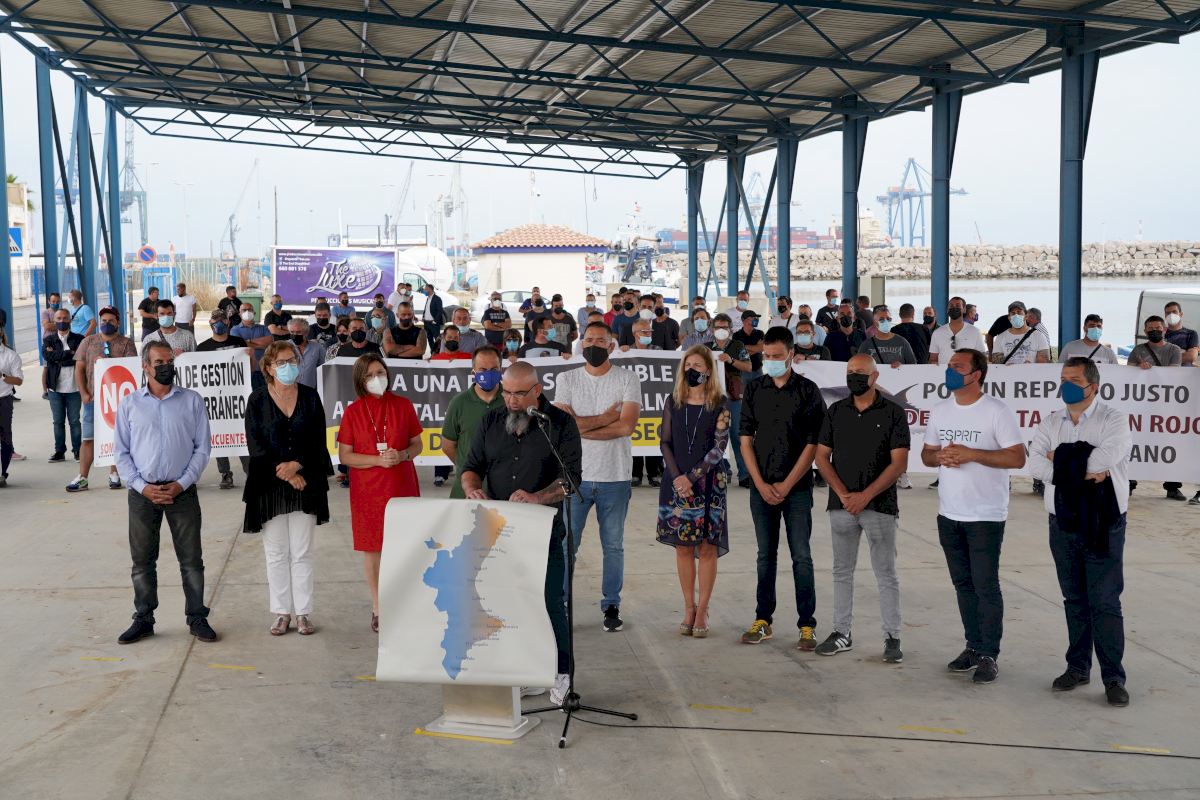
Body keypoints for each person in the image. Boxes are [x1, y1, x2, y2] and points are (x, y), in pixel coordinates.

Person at [461, 361, 580, 707]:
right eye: (507, 393)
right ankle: (530, 670)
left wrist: (537, 497)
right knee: (510, 604)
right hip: (499, 533)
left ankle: (561, 673)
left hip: (543, 531)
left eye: (519, 394)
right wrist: (471, 489)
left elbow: (572, 479)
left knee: (550, 602)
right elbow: (471, 468)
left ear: (537, 391)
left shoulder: (559, 424)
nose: (511, 400)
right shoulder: (491, 421)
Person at [1027, 357, 1131, 707]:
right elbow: (1034, 463)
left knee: (1105, 601)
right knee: (1074, 599)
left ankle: (1113, 677)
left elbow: (1107, 457)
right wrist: (1081, 469)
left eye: (1073, 379)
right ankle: (1077, 667)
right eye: (1063, 379)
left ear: (1093, 386)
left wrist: (1060, 459)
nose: (1066, 385)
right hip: (1063, 522)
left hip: (1103, 523)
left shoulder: (1113, 419)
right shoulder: (1052, 421)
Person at [922, 349, 1025, 684]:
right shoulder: (941, 410)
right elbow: (926, 455)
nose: (950, 370)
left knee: (985, 584)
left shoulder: (996, 411)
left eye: (958, 366)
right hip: (949, 511)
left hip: (985, 514)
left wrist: (972, 454)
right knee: (963, 584)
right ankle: (973, 645)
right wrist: (941, 457)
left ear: (976, 374)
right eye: (949, 365)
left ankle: (989, 654)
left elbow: (1017, 458)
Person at [113, 340, 217, 645]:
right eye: (159, 362)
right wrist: (142, 487)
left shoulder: (192, 401)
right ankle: (144, 618)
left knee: (191, 560)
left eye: (169, 361)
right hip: (142, 495)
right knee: (142, 561)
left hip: (182, 492)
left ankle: (197, 617)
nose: (166, 367)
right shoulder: (130, 404)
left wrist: (182, 483)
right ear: (145, 366)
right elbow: (121, 453)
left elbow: (202, 448)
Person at [813, 355, 910, 663]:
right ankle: (841, 632)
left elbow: (899, 463)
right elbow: (821, 457)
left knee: (886, 573)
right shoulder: (836, 411)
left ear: (874, 376)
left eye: (860, 372)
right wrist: (844, 494)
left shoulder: (893, 412)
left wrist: (865, 496)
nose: (854, 376)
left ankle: (892, 637)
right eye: (850, 372)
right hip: (841, 506)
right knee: (841, 571)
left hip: (880, 506)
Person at [739, 326, 826, 650]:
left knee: (801, 556)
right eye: (766, 356)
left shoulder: (808, 390)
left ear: (791, 354)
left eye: (776, 356)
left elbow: (813, 444)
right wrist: (760, 483)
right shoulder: (754, 389)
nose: (771, 361)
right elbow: (745, 440)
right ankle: (763, 619)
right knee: (765, 556)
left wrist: (787, 484)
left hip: (797, 489)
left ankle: (807, 624)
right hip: (761, 488)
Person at [553, 322, 641, 632]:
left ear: (611, 346)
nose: (593, 345)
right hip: (575, 478)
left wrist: (580, 426)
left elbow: (626, 427)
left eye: (600, 340)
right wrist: (605, 418)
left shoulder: (628, 379)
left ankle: (611, 604)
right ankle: (561, 602)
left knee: (613, 546)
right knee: (567, 545)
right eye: (588, 339)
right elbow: (563, 427)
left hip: (615, 476)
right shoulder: (566, 379)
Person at [243, 341, 333, 637]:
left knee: (302, 552)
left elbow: (318, 440)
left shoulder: (310, 396)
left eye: (292, 360)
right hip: (269, 484)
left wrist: (297, 466)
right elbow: (255, 445)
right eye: (281, 362)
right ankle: (282, 612)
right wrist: (285, 472)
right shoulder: (257, 400)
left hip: (306, 480)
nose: (288, 366)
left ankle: (303, 613)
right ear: (269, 368)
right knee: (276, 552)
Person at [338, 352, 423, 631]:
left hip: (402, 486)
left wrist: (403, 455)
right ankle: (378, 606)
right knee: (373, 549)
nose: (377, 379)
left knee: (404, 547)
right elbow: (346, 456)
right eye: (370, 375)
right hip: (368, 491)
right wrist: (377, 460)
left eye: (380, 372)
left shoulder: (403, 405)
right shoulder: (353, 412)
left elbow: (417, 445)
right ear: (360, 381)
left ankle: (404, 602)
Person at [658, 346, 731, 638]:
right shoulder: (673, 401)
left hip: (709, 483)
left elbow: (719, 447)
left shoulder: (720, 403)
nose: (692, 370)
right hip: (676, 482)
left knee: (707, 547)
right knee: (683, 546)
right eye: (688, 365)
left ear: (708, 370)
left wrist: (692, 477)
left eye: (698, 365)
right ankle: (688, 607)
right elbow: (664, 442)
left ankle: (703, 609)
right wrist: (679, 477)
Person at [67, 307, 137, 493]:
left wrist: (107, 361)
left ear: (118, 322)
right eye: (104, 320)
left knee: (116, 438)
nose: (107, 323)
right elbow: (79, 369)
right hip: (93, 400)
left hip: (117, 400)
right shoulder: (88, 342)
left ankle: (114, 473)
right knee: (88, 438)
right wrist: (83, 393)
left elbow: (131, 367)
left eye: (111, 320)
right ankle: (83, 477)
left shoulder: (127, 343)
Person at [197, 309, 253, 489]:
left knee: (242, 433)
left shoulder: (239, 343)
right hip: (215, 399)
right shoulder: (202, 348)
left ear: (228, 322)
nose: (219, 322)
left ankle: (250, 472)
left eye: (222, 319)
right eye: (215, 319)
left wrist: (250, 356)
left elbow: (251, 369)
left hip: (238, 397)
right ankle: (225, 473)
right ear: (210, 323)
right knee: (219, 434)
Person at [441, 346, 505, 499]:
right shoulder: (459, 403)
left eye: (494, 369)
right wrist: (467, 469)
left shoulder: (511, 401)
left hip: (503, 489)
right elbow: (448, 446)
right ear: (473, 372)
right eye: (483, 369)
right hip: (466, 490)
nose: (488, 374)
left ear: (501, 370)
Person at [708, 313, 751, 487]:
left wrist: (731, 360)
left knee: (737, 434)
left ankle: (744, 474)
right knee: (715, 434)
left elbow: (748, 366)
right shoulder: (705, 348)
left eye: (724, 327)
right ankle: (723, 470)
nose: (721, 330)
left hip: (734, 396)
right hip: (713, 396)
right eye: (718, 327)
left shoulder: (738, 345)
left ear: (730, 329)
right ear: (713, 329)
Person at [43, 308, 84, 463]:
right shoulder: (48, 340)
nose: (62, 321)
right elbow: (47, 356)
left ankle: (78, 451)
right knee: (58, 422)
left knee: (74, 421)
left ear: (70, 320)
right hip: (55, 388)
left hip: (75, 387)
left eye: (65, 318)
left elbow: (80, 358)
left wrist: (58, 357)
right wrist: (69, 353)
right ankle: (59, 451)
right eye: (59, 318)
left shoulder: (79, 339)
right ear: (54, 321)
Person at [928, 296, 985, 365]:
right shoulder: (937, 333)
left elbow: (981, 358)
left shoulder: (975, 332)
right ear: (947, 310)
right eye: (951, 306)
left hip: (966, 371)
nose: (954, 308)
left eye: (958, 305)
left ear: (964, 309)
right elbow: (933, 359)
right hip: (944, 372)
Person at [231, 302, 275, 388]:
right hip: (244, 371)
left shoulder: (263, 328)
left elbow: (270, 340)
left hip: (263, 370)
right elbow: (240, 345)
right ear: (239, 314)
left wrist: (249, 341)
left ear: (254, 313)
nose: (247, 312)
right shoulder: (235, 329)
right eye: (244, 310)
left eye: (249, 310)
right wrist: (262, 346)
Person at [0, 330, 23, 488]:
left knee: (5, 438)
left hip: (4, 400)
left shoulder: (10, 355)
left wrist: (3, 376)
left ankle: (3, 473)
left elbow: (19, 381)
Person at [287, 318, 324, 388]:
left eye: (298, 332)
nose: (295, 335)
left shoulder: (317, 348)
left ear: (306, 333)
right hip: (289, 390)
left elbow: (323, 370)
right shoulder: (284, 347)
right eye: (292, 332)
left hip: (310, 391)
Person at [1164, 301, 1198, 366]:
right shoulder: (1161, 333)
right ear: (1165, 316)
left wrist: (1164, 358)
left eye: (1174, 312)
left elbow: (1191, 356)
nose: (1171, 315)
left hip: (1184, 371)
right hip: (1164, 371)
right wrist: (1183, 353)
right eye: (1168, 313)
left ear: (1181, 314)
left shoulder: (1191, 334)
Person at [733, 309, 764, 378]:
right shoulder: (736, 335)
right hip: (743, 371)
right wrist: (757, 348)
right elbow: (738, 354)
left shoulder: (760, 333)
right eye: (752, 318)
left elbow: (762, 348)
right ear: (744, 320)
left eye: (756, 318)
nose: (756, 320)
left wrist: (744, 347)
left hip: (758, 369)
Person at [420, 282, 445, 352]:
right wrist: (423, 317)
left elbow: (440, 311)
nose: (424, 291)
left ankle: (438, 353)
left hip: (433, 323)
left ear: (430, 289)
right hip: (426, 323)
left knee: (437, 339)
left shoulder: (437, 299)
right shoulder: (428, 298)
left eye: (425, 289)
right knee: (429, 339)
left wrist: (435, 321)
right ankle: (433, 352)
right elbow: (426, 309)